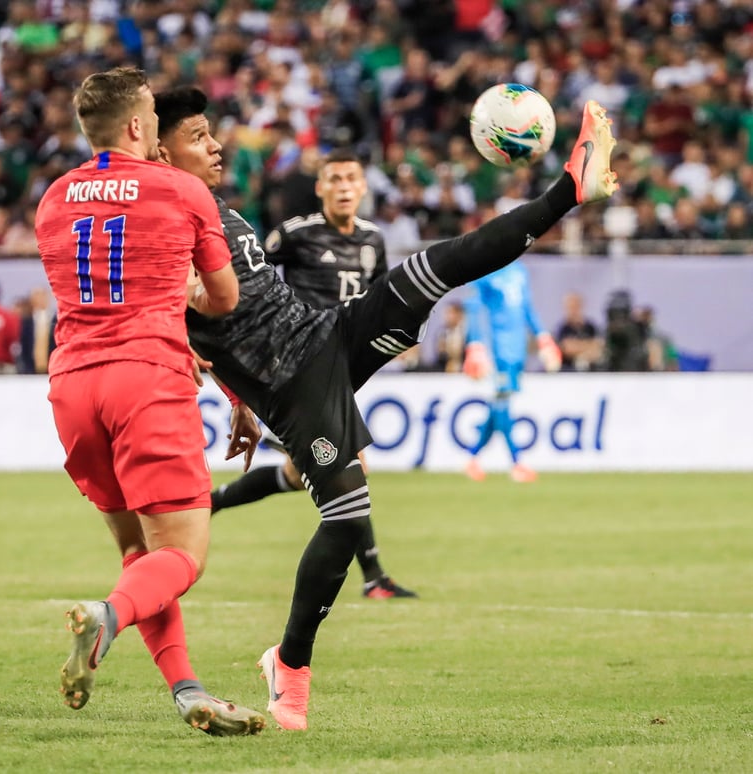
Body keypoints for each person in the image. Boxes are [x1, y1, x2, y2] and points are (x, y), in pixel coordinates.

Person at [155, 86, 618, 731]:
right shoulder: (158, 228)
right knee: (346, 518)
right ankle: (289, 664)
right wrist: (230, 382)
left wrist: (233, 396)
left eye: (212, 131)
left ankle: (570, 188)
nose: (215, 144)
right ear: (157, 147)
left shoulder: (213, 208)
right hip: (294, 384)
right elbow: (178, 314)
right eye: (198, 135)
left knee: (437, 267)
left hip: (323, 336)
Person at [33, 67, 265, 737]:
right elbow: (224, 299)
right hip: (148, 379)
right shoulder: (182, 190)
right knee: (183, 555)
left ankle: (188, 692)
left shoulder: (54, 198)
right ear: (140, 126)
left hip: (74, 386)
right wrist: (184, 294)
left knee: (143, 555)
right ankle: (106, 617)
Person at [210, 146, 417, 600]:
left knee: (291, 474)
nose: (344, 188)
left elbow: (380, 298)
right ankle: (375, 578)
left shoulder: (372, 239)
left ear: (364, 187)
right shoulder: (296, 235)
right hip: (296, 366)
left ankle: (209, 503)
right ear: (320, 187)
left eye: (351, 179)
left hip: (342, 367)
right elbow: (249, 277)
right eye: (335, 179)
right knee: (352, 466)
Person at [461, 260, 562, 484]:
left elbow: (527, 307)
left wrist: (543, 337)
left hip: (518, 350)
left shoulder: (519, 271)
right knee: (503, 403)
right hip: (497, 349)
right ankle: (517, 462)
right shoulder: (485, 269)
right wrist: (476, 344)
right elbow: (473, 308)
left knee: (498, 405)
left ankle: (472, 458)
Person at [555, 291, 603, 372]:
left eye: (575, 306)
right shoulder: (563, 328)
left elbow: (598, 346)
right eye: (570, 307)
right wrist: (587, 345)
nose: (573, 310)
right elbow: (566, 348)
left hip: (591, 371)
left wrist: (577, 347)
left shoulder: (590, 327)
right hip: (568, 370)